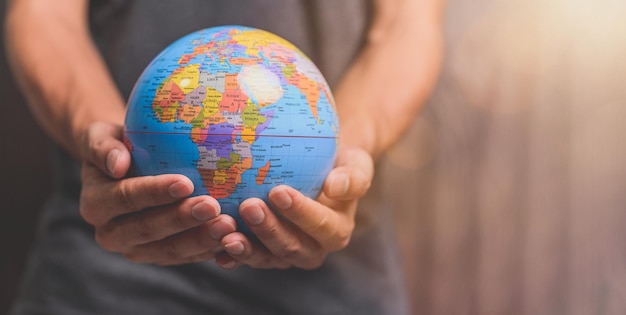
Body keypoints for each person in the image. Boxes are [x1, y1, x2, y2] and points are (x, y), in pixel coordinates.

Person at [5, 0, 443, 314]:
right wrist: (102, 141)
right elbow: (44, 12)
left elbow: (407, 21)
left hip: (332, 272)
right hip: (102, 267)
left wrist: (348, 151)